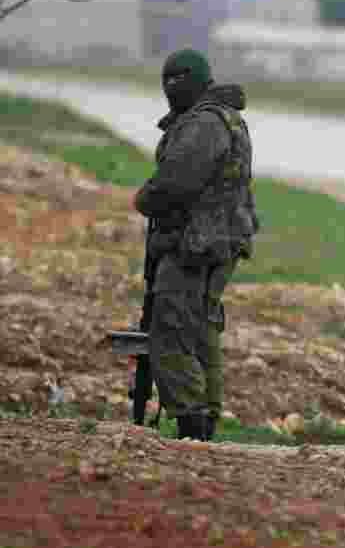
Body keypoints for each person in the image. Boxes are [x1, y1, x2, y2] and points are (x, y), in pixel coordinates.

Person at [133, 49, 258, 441]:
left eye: (180, 77)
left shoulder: (204, 124)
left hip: (195, 245)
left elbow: (176, 183)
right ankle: (204, 421)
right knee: (201, 330)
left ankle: (192, 421)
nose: (171, 86)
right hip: (216, 242)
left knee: (169, 331)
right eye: (166, 79)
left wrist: (144, 199)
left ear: (201, 79)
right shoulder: (221, 118)